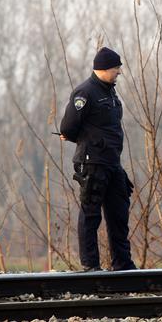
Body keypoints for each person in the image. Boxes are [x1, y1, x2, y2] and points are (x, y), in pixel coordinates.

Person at [60, 47, 136, 272]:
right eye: (116, 68)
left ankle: (123, 264)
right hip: (92, 162)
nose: (119, 72)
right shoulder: (85, 92)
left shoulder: (110, 92)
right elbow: (67, 128)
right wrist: (90, 142)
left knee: (119, 214)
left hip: (113, 163)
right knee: (91, 214)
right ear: (103, 69)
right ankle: (90, 266)